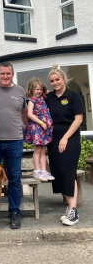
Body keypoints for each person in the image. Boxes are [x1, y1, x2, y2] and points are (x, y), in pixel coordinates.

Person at [0, 62, 28, 229]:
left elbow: (24, 113)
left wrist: (20, 128)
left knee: (14, 179)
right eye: (2, 73)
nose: (5, 76)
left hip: (14, 141)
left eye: (8, 73)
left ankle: (14, 213)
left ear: (13, 75)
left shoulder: (20, 91)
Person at [47, 65, 84, 226]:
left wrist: (65, 138)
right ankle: (70, 207)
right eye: (52, 81)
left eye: (57, 79)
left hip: (69, 139)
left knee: (68, 172)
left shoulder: (73, 95)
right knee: (60, 173)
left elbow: (79, 119)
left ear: (64, 79)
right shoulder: (50, 98)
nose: (55, 83)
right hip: (53, 140)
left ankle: (73, 211)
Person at [23, 78, 54, 182]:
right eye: (37, 89)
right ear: (32, 89)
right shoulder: (32, 100)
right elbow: (29, 114)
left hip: (44, 128)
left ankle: (44, 170)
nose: (39, 91)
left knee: (43, 150)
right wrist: (41, 123)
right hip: (37, 128)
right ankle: (37, 170)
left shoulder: (42, 98)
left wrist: (47, 92)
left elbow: (47, 92)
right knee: (37, 150)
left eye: (41, 89)